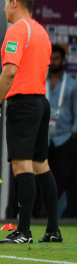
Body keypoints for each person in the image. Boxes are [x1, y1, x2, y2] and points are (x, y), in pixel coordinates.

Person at [0, 0, 59, 244]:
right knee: (41, 165)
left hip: (24, 105)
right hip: (41, 102)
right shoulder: (41, 31)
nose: (4, 8)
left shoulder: (17, 30)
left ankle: (24, 232)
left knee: (21, 166)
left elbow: (10, 71)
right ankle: (53, 230)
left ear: (15, 3)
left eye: (6, 3)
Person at [46, 45, 77, 218]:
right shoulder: (42, 82)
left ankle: (72, 213)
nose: (52, 62)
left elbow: (76, 109)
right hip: (45, 138)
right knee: (41, 176)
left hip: (65, 137)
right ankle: (41, 213)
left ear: (64, 60)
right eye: (50, 59)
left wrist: (74, 131)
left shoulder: (72, 85)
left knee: (68, 176)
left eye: (56, 59)